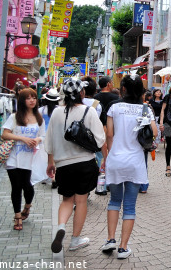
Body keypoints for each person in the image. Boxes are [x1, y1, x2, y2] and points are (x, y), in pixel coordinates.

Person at [100, 75, 157, 259]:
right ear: (141, 90)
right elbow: (154, 133)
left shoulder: (114, 107)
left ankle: (110, 239)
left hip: (115, 159)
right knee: (130, 206)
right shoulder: (145, 109)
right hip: (135, 162)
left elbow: (109, 134)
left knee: (114, 201)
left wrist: (107, 156)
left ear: (123, 89)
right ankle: (123, 248)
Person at [45, 79, 106, 253]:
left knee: (66, 200)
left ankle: (61, 227)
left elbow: (50, 141)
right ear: (82, 93)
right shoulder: (89, 111)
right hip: (85, 162)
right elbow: (100, 139)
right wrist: (105, 160)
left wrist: (51, 162)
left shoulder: (57, 112)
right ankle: (75, 240)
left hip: (63, 165)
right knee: (81, 201)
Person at [2, 88, 45, 231]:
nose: (32, 100)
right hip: (13, 157)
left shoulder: (39, 118)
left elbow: (43, 136)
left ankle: (27, 206)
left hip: (30, 158)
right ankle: (17, 216)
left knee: (28, 185)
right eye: (28, 98)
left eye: (34, 97)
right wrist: (23, 138)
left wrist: (37, 140)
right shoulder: (14, 117)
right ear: (22, 101)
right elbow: (5, 134)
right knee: (16, 186)